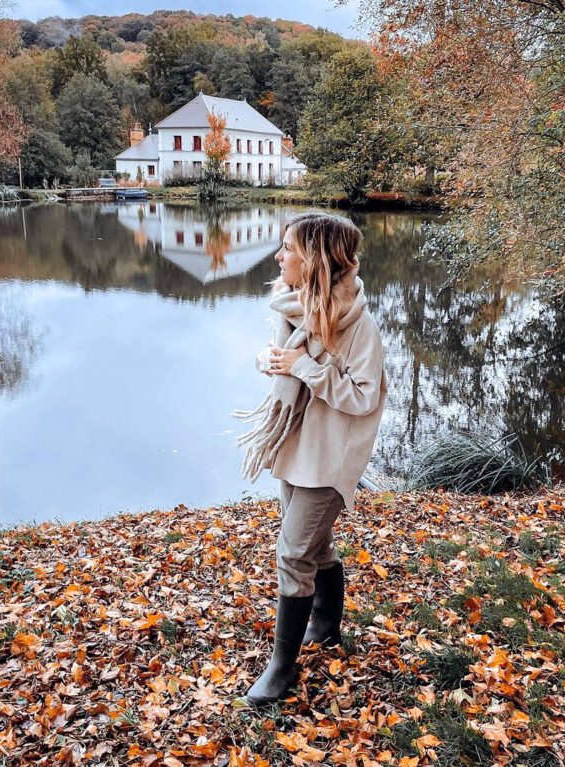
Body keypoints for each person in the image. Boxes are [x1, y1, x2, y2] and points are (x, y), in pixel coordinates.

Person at [231, 212, 387, 706]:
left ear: (316, 259)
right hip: (296, 444)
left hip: (332, 455)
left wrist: (306, 368)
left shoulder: (358, 325)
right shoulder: (294, 307)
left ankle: (282, 668)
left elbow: (365, 398)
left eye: (288, 249)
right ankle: (325, 625)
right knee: (315, 548)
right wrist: (275, 362)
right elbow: (281, 358)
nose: (279, 257)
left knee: (293, 552)